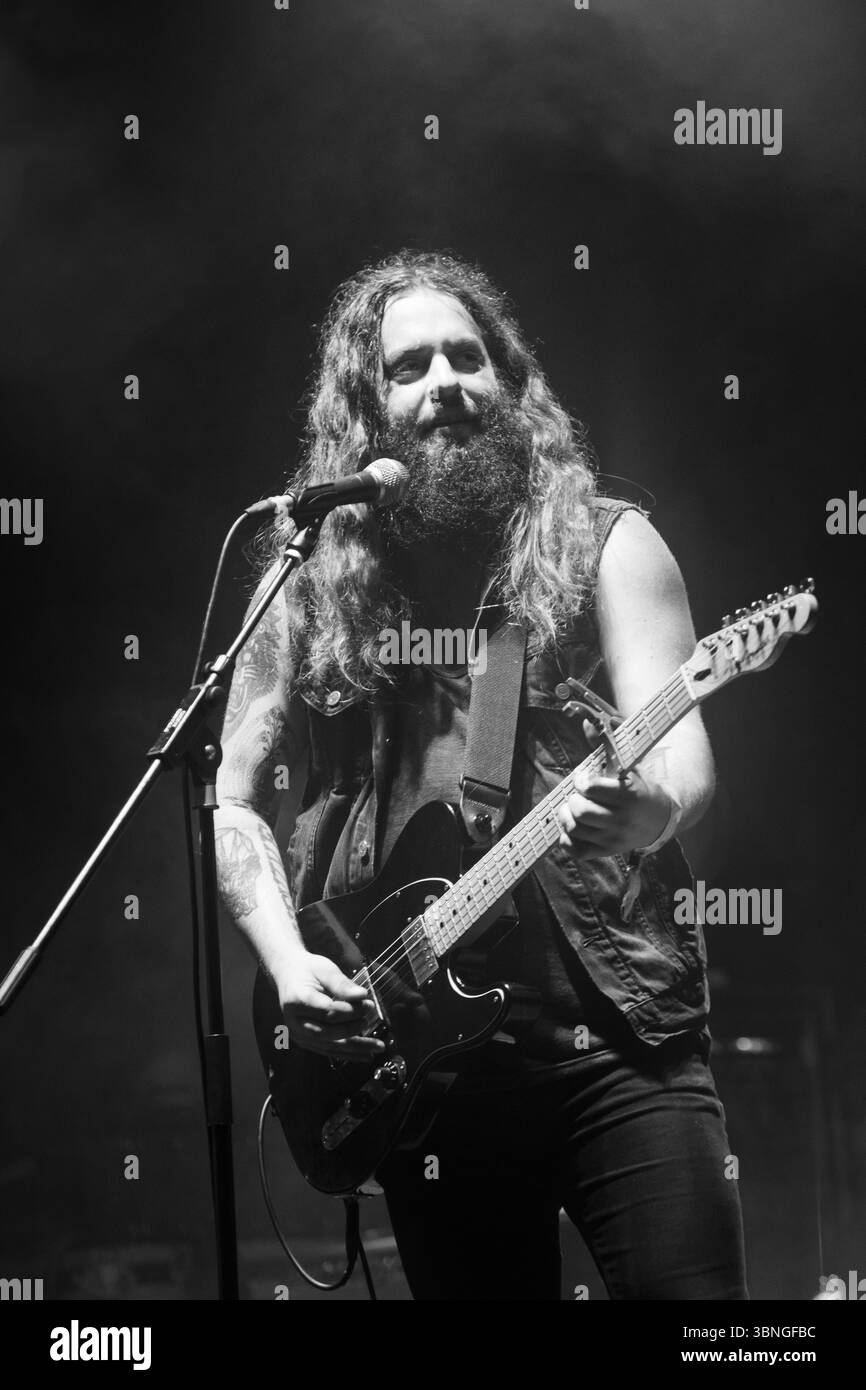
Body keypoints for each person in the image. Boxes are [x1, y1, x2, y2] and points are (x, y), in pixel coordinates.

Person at [214, 250, 748, 1301]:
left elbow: (681, 749)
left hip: (618, 1045)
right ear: (365, 409)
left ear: (510, 383)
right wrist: (283, 961)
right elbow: (232, 797)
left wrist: (648, 811)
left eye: (467, 357)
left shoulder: (607, 544)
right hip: (423, 1080)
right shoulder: (305, 579)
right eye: (409, 367)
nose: (444, 383)